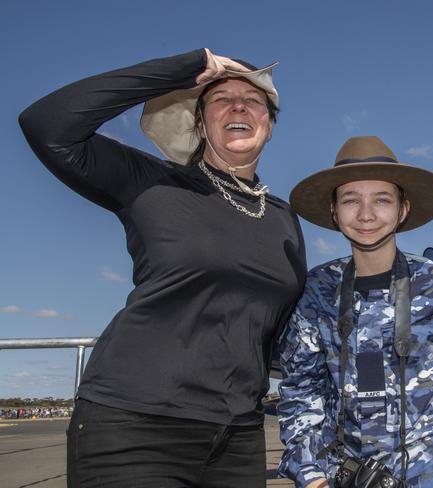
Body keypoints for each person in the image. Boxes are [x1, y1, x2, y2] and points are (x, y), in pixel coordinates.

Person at [19, 48, 306, 487]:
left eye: (254, 100)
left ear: (268, 126)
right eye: (220, 98)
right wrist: (189, 65)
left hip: (238, 436)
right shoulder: (153, 182)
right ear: (198, 122)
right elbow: (46, 124)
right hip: (136, 425)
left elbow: (273, 330)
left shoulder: (284, 219)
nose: (238, 106)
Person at [277, 136, 433, 487]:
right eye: (351, 200)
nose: (366, 214)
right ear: (334, 211)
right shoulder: (317, 290)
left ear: (403, 208)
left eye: (381, 200)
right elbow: (302, 391)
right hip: (345, 475)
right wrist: (312, 478)